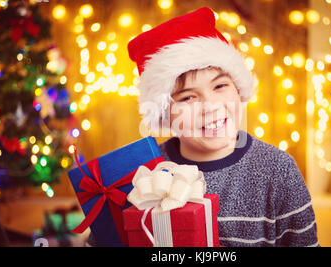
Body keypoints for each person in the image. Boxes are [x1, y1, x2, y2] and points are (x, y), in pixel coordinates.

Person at [127, 6, 319, 247]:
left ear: (238, 89)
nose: (210, 107)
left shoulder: (278, 171)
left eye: (219, 86)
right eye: (187, 98)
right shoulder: (144, 175)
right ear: (165, 113)